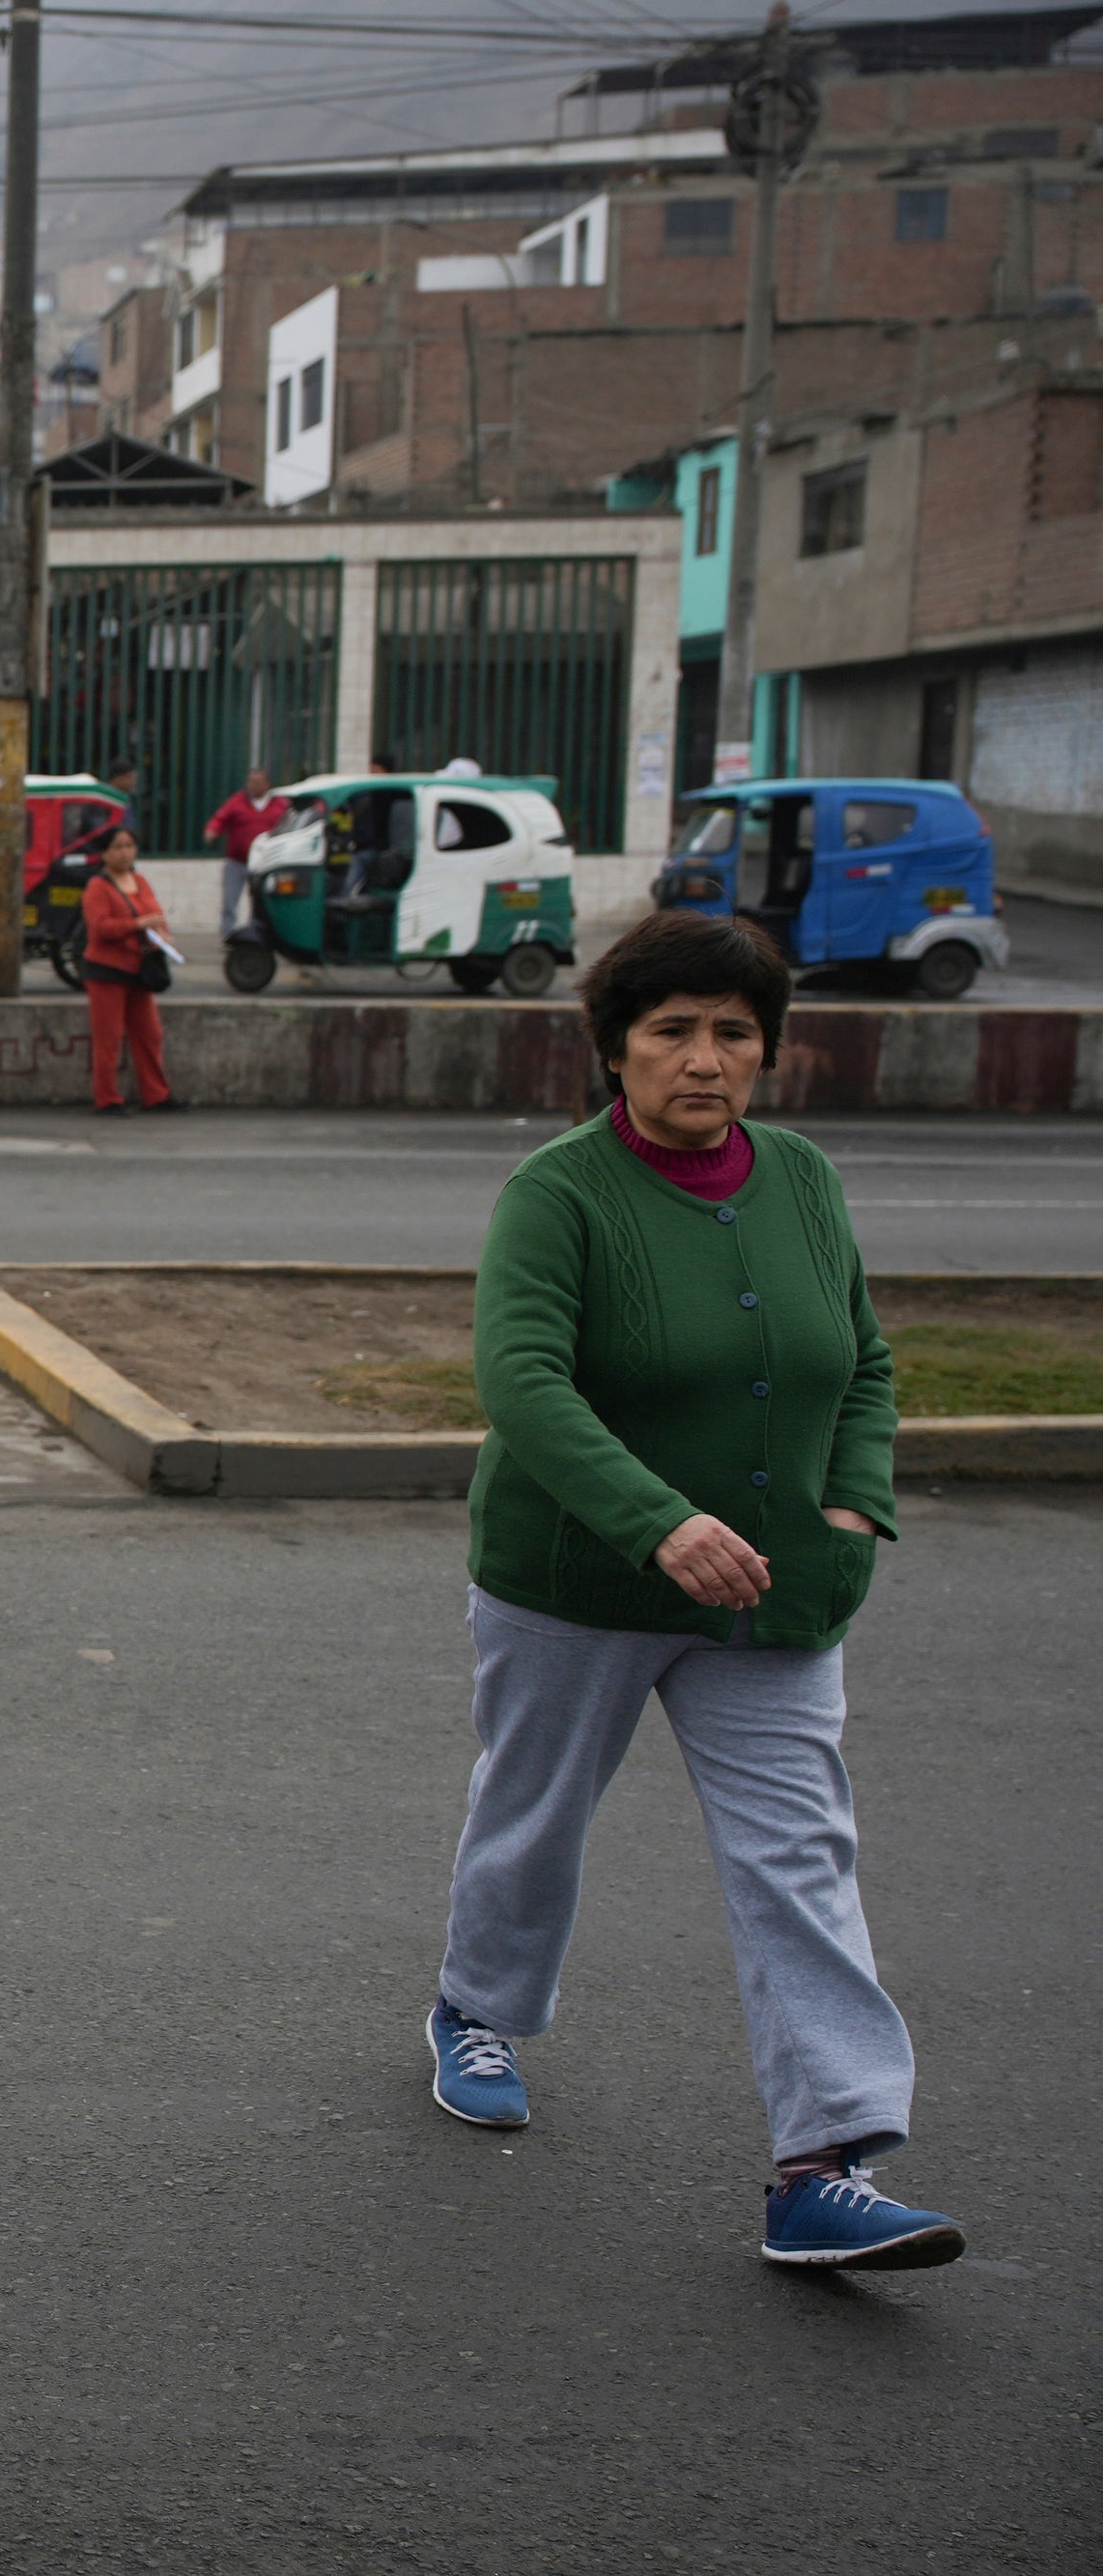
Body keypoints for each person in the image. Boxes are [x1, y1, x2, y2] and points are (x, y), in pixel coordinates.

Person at [428, 907, 964, 2274]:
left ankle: (824, 2158)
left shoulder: (800, 1179)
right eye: (672, 1030)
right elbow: (523, 1384)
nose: (705, 1058)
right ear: (617, 1050)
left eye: (734, 1031)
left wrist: (855, 1499)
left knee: (801, 1858)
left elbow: (866, 1359)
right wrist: (658, 1523)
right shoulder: (559, 1191)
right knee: (535, 1814)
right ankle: (476, 2006)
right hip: (576, 1579)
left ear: (768, 1049)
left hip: (776, 1592)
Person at [75, 825, 178, 1116]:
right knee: (108, 1039)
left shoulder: (141, 881)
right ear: (104, 854)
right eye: (117, 847)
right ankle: (107, 1098)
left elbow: (155, 916)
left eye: (129, 846)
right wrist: (138, 925)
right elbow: (100, 929)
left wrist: (162, 934)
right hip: (106, 970)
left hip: (139, 969)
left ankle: (156, 1095)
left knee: (149, 1033)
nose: (124, 853)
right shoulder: (98, 886)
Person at [208, 768, 288, 937]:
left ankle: (256, 934)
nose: (253, 785)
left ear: (268, 785)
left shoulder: (280, 804)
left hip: (264, 863)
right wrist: (212, 831)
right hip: (236, 861)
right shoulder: (237, 801)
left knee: (260, 902)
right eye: (251, 781)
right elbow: (220, 819)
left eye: (257, 782)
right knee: (230, 900)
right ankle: (228, 934)